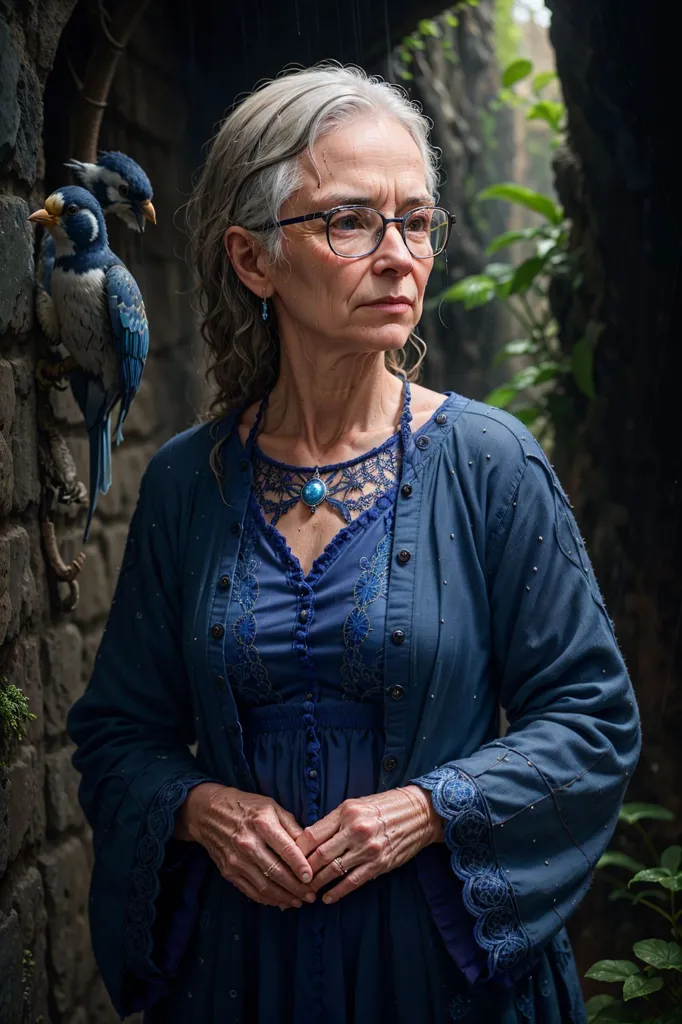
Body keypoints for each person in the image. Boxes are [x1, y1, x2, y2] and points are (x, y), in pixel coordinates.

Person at [67, 63, 641, 1024]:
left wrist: (429, 808)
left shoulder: (490, 464)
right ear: (254, 261)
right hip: (239, 978)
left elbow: (591, 720)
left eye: (416, 221)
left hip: (443, 973)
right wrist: (202, 808)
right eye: (349, 221)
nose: (398, 255)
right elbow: (120, 736)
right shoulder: (187, 483)